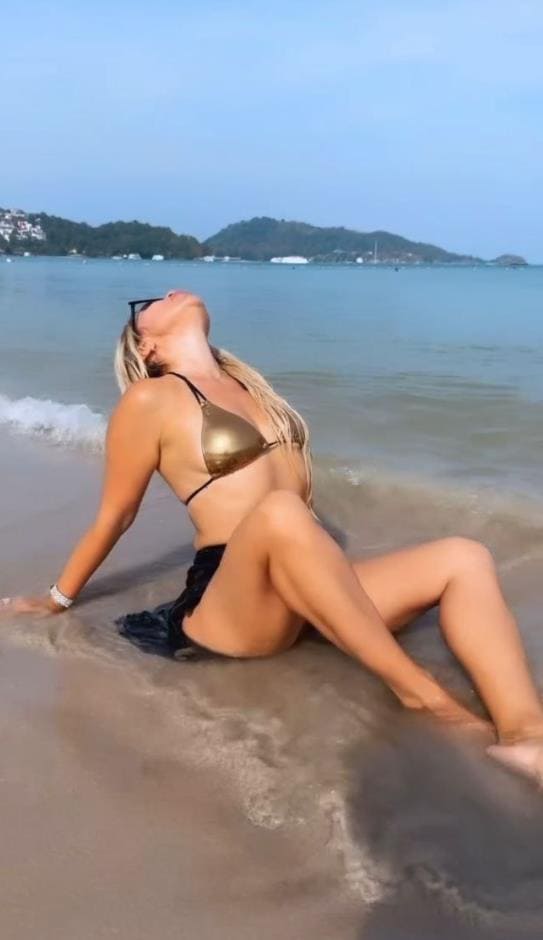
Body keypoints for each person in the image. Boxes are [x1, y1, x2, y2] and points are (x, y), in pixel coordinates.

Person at [3, 289, 543, 786]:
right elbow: (116, 515)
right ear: (147, 346)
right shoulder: (150, 400)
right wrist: (55, 599)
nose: (169, 293)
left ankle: (526, 736)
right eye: (150, 301)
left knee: (463, 556)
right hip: (232, 596)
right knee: (282, 511)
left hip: (305, 579)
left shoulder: (251, 387)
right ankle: (426, 699)